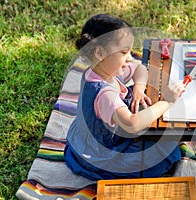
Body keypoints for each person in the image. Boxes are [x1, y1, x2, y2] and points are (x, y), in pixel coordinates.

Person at [64, 14, 186, 181]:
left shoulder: (105, 70)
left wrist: (138, 88)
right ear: (100, 52)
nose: (130, 57)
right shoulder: (105, 95)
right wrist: (167, 102)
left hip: (96, 135)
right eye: (124, 52)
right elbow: (132, 124)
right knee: (165, 149)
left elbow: (139, 68)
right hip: (104, 152)